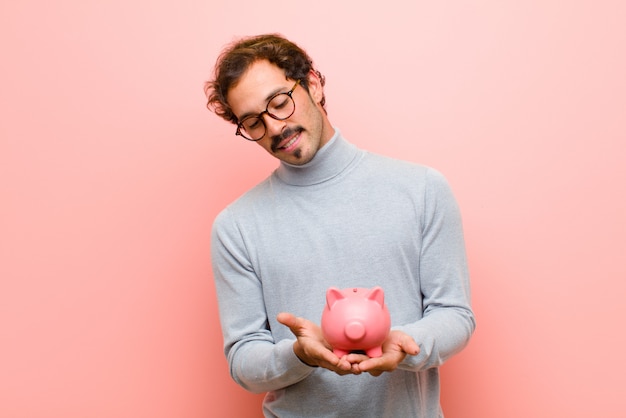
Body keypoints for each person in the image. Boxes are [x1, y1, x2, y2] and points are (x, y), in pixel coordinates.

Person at [205, 33, 475, 417]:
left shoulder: (422, 189)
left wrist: (403, 344)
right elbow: (244, 358)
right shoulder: (236, 227)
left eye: (279, 103)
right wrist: (298, 354)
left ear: (312, 83)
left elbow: (455, 314)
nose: (274, 127)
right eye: (253, 122)